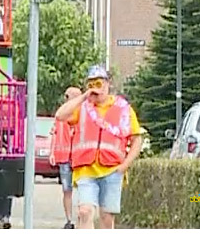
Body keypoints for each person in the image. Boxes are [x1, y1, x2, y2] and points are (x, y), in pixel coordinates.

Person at [55, 66, 145, 230]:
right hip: (85, 169)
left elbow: (136, 139)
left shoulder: (123, 109)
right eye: (91, 84)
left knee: (106, 217)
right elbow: (60, 115)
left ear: (107, 84)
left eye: (98, 83)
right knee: (85, 211)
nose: (95, 88)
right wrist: (83, 97)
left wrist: (125, 165)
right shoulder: (82, 108)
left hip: (112, 170)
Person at [50, 86, 83, 229]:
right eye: (68, 97)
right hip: (64, 158)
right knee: (67, 189)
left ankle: (82, 218)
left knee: (83, 189)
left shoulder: (84, 114)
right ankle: (69, 220)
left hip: (80, 157)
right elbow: (54, 133)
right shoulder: (61, 115)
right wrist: (52, 152)